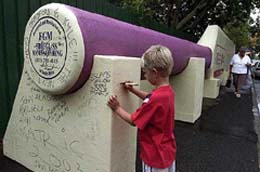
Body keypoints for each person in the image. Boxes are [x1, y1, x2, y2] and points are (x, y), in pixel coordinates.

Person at [107, 45, 176, 172]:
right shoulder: (168, 92)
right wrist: (133, 90)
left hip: (154, 156)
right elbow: (151, 97)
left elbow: (133, 120)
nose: (144, 75)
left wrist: (116, 108)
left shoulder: (155, 100)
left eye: (145, 72)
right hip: (167, 153)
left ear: (154, 73)